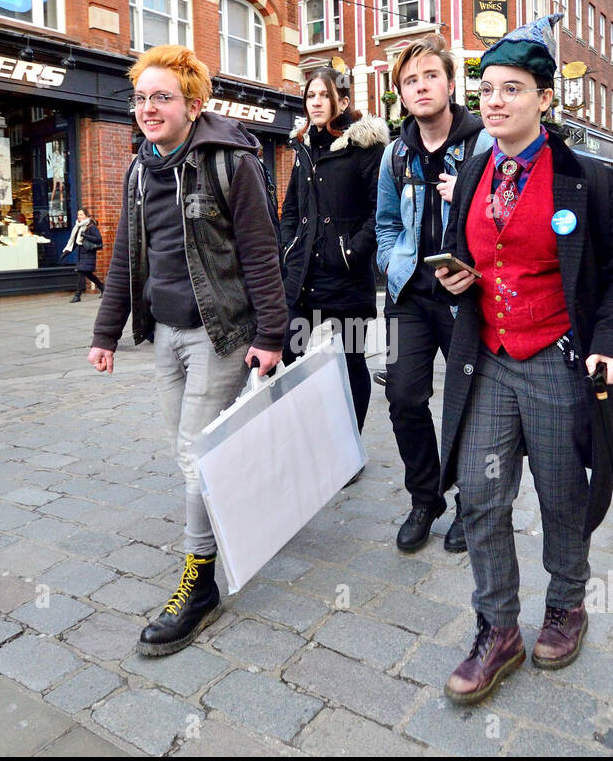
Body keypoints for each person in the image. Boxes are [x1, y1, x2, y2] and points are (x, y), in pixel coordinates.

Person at [434, 14, 613, 705]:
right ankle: (497, 625)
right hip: (489, 356)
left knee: (563, 495)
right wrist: (457, 274)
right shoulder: (470, 172)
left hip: (562, 358)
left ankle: (567, 603)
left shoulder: (594, 180)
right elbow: (462, 249)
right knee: (481, 496)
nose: (494, 101)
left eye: (513, 89)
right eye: (487, 90)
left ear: (544, 99)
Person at [87, 45, 287, 656]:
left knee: (194, 456)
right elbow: (125, 255)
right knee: (190, 455)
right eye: (141, 98)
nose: (148, 108)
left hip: (221, 331)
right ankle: (234, 512)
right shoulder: (137, 168)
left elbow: (260, 252)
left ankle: (199, 584)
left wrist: (271, 336)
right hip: (166, 333)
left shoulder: (231, 162)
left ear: (193, 105)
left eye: (162, 97)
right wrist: (106, 332)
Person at [375, 34, 494, 554]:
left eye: (429, 76)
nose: (420, 87)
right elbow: (383, 224)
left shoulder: (484, 144)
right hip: (408, 297)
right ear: (400, 94)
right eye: (409, 81)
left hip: (467, 299)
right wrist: (389, 261)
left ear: (450, 83)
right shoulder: (395, 153)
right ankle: (426, 497)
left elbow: (508, 223)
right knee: (403, 395)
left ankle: (472, 500)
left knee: (469, 401)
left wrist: (470, 201)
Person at [280, 67, 387, 432]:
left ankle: (349, 441)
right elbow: (291, 208)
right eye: (311, 96)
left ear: (342, 101)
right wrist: (288, 248)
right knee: (288, 353)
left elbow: (380, 210)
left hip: (346, 278)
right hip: (304, 278)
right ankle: (302, 434)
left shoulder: (365, 147)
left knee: (352, 359)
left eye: (323, 95)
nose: (316, 102)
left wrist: (352, 252)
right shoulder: (303, 147)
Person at [64, 207, 104, 302]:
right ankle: (102, 287)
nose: (79, 216)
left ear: (86, 215)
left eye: (81, 214)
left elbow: (98, 239)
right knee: (87, 273)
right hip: (81, 252)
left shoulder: (91, 227)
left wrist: (86, 235)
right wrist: (67, 251)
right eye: (78, 214)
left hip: (89, 252)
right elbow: (75, 241)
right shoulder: (78, 227)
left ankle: (78, 295)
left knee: (81, 271)